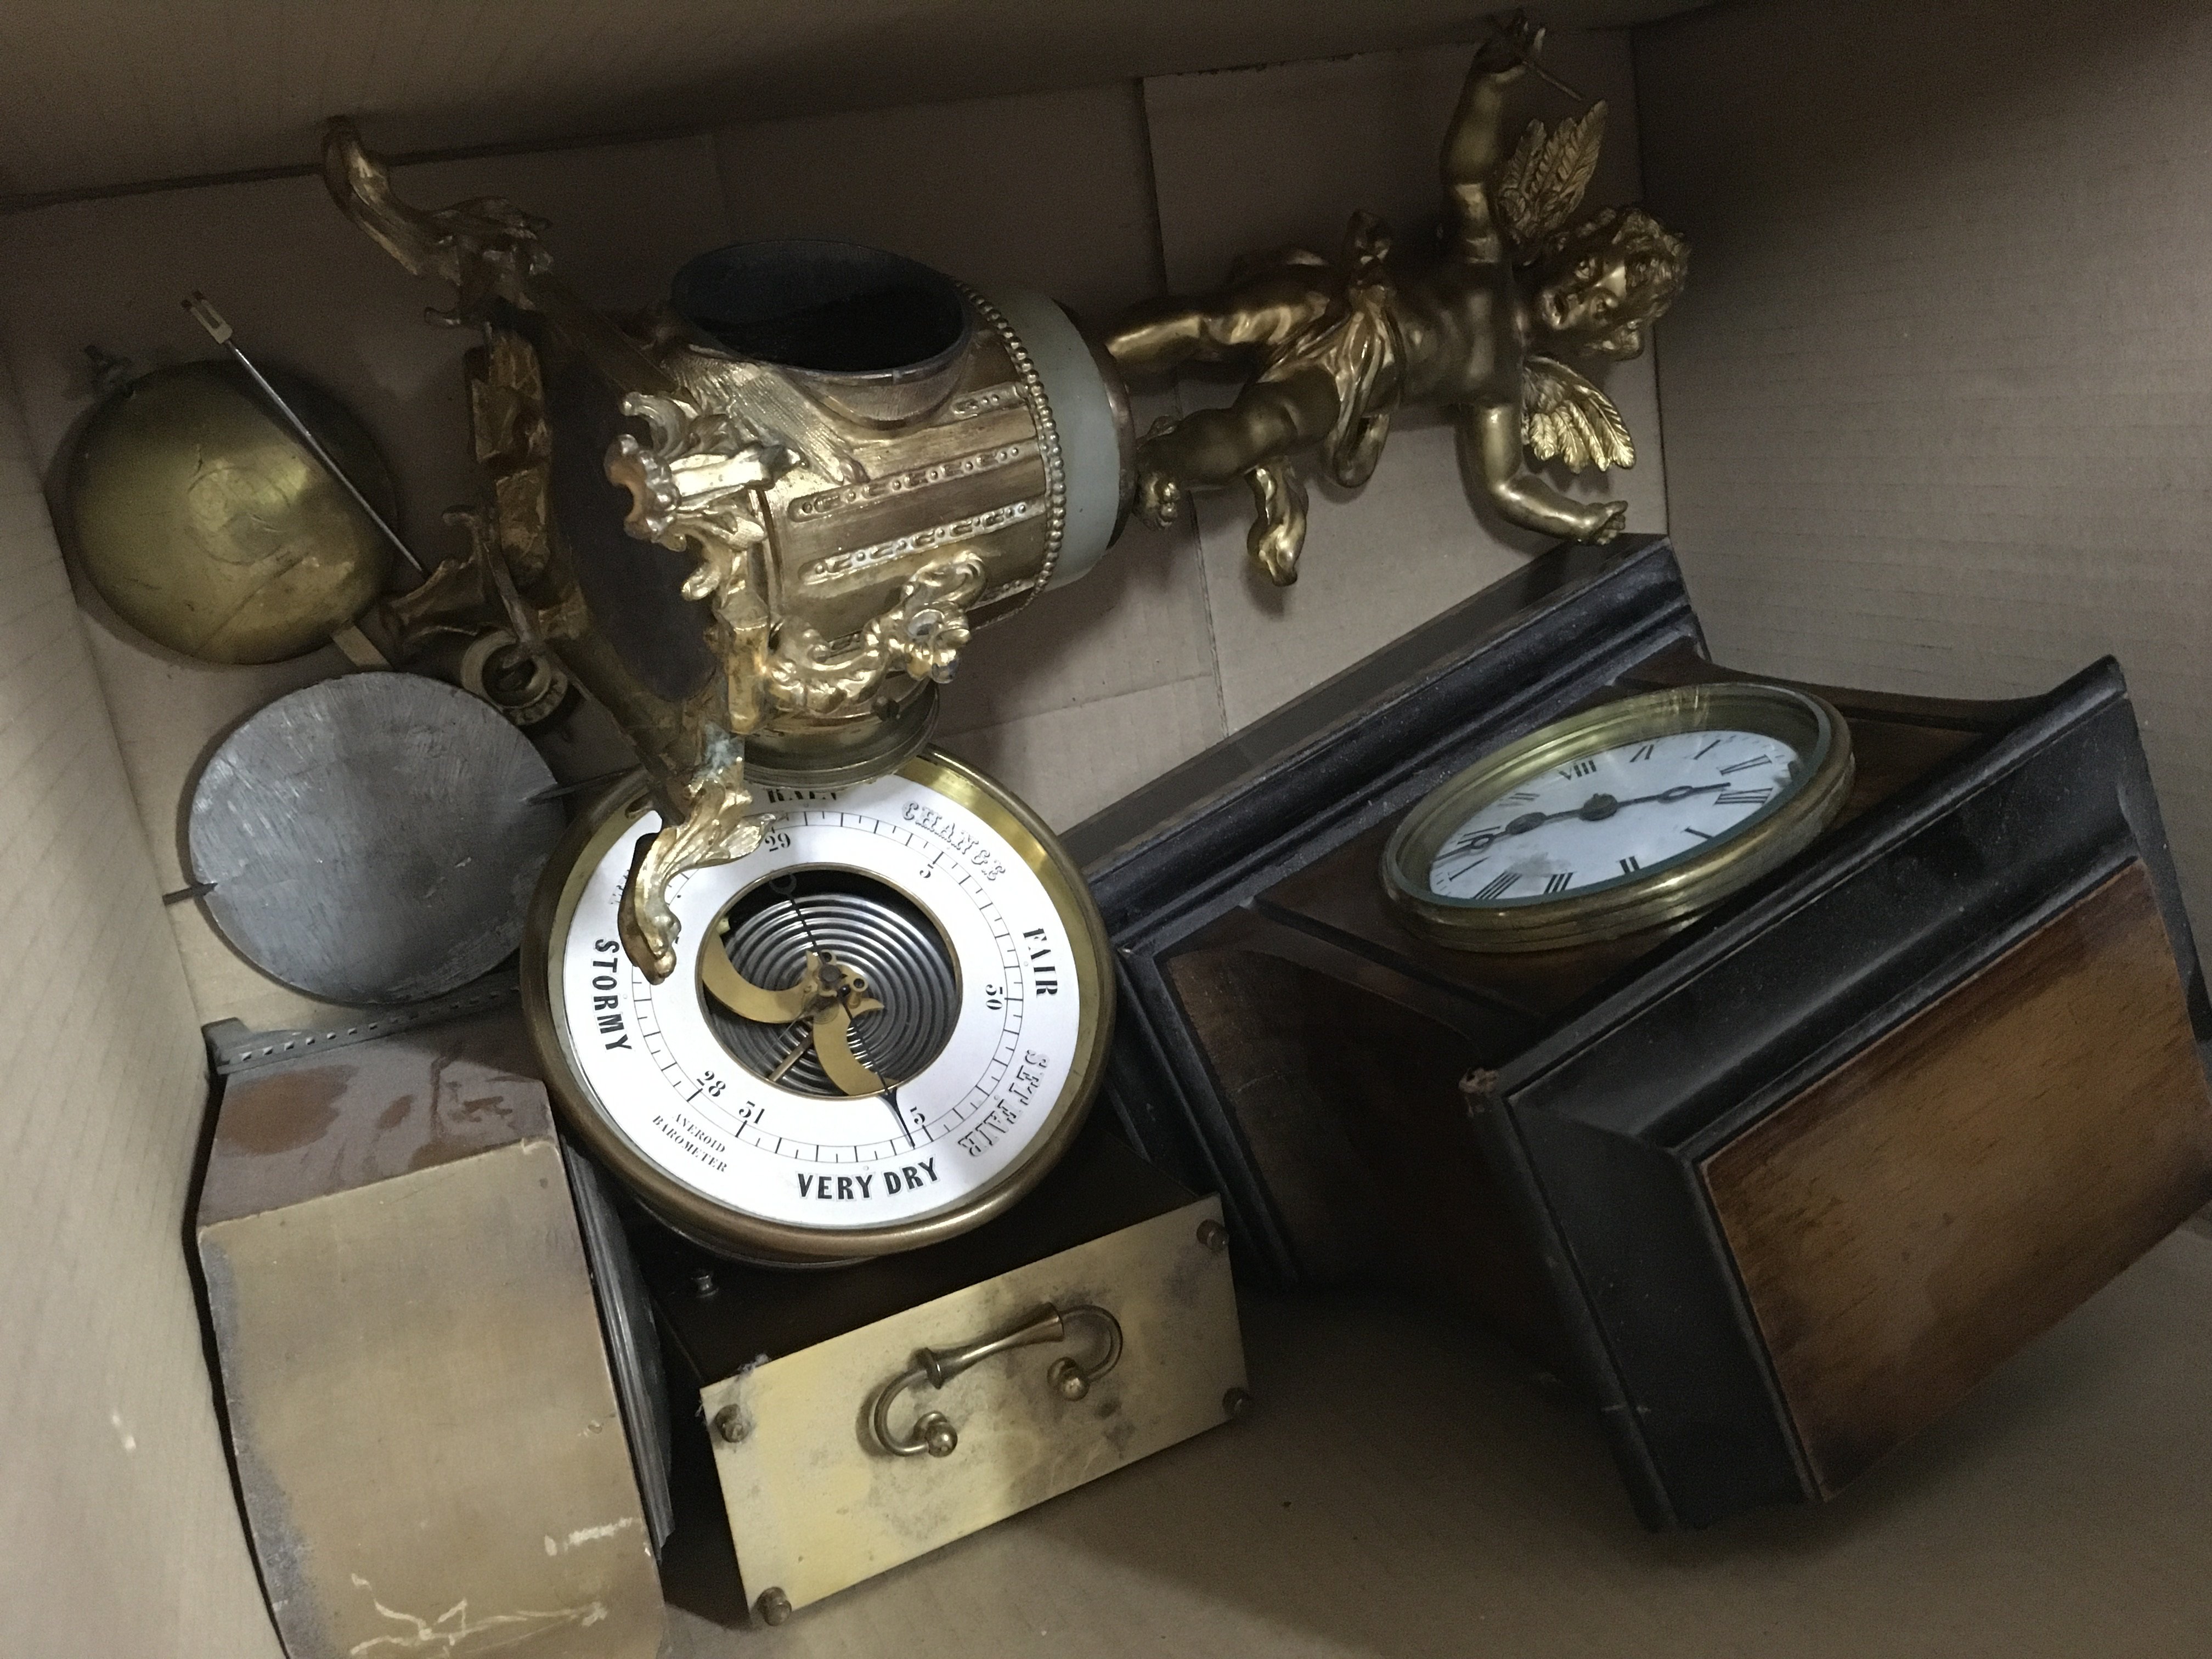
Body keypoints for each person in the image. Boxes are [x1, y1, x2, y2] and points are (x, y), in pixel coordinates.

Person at [1104, 14, 1688, 583]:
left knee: (1264, 428)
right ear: (1565, 244)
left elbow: (1506, 485)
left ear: (1611, 339)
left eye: (1604, 308)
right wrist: (1486, 87)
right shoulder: (1488, 260)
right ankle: (1097, 353)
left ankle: (1162, 463)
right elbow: (1465, 175)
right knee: (1214, 321)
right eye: (1589, 269)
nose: (1583, 294)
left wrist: (1578, 520)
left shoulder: (1502, 385)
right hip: (1340, 299)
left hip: (1354, 380)